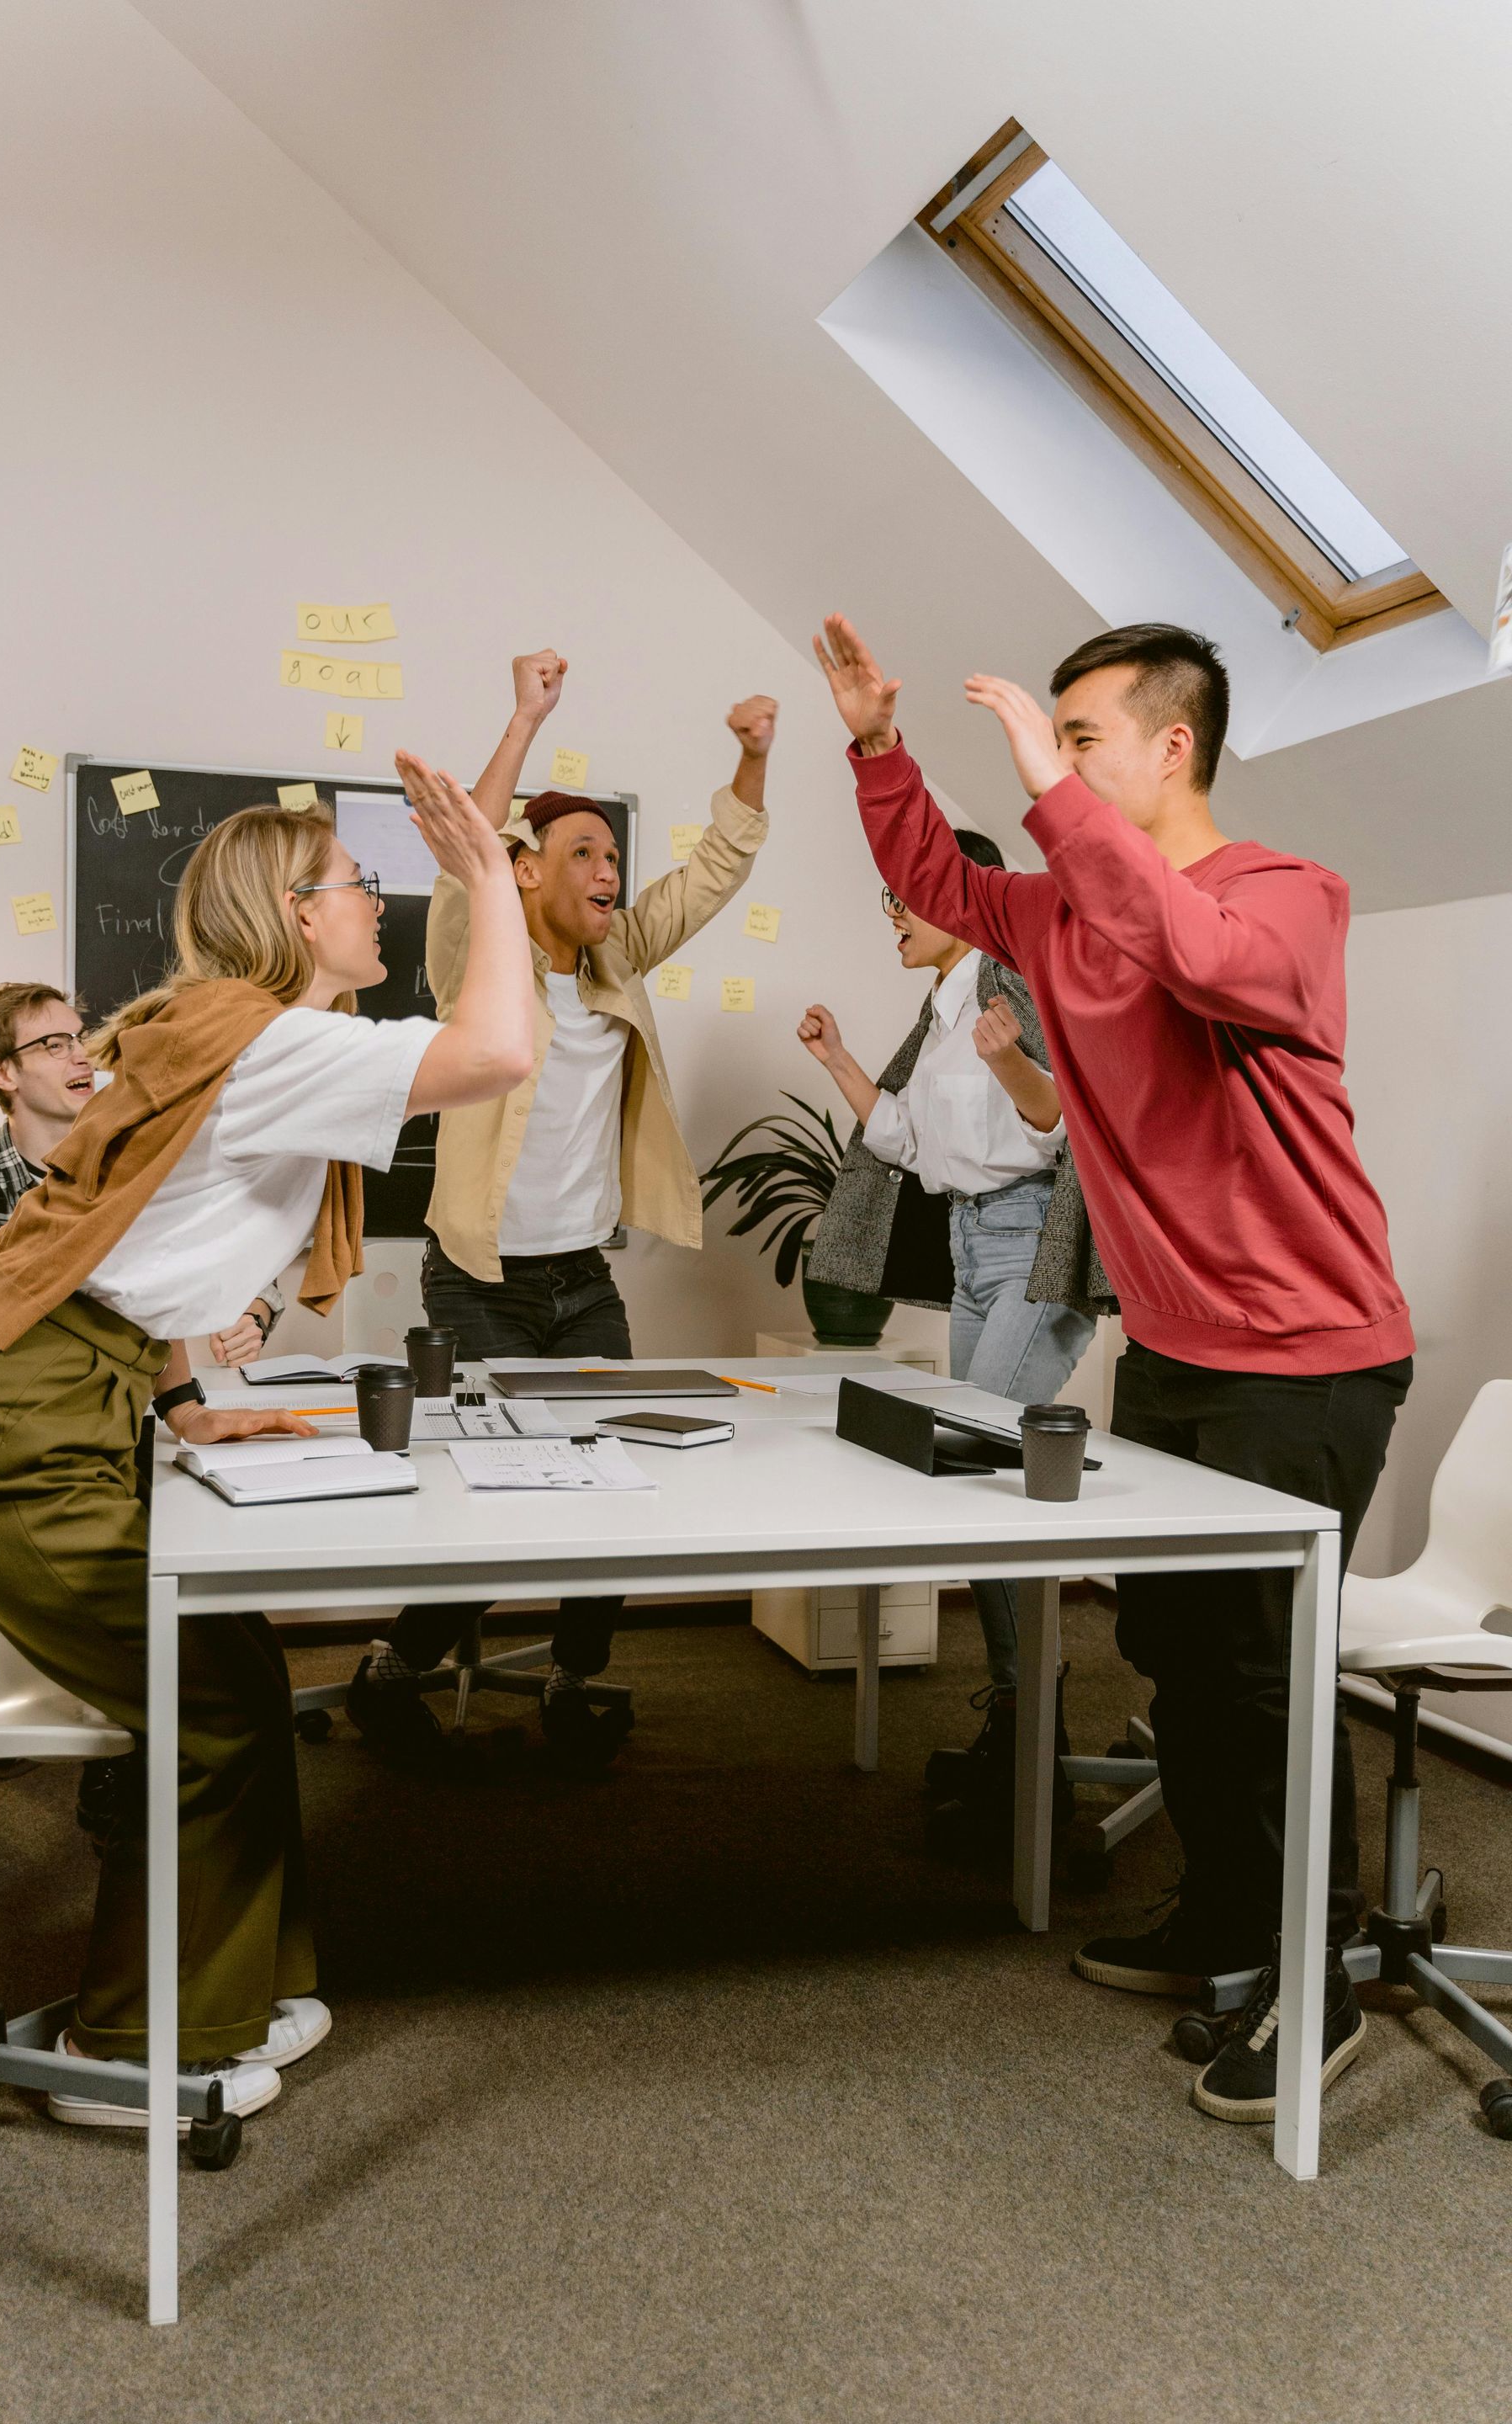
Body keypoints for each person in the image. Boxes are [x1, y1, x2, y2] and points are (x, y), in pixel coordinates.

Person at [814, 610, 1412, 2125]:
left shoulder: (1288, 898)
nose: (1053, 764)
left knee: (1271, 1680)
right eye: (1052, 738)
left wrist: (1055, 799)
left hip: (1305, 1358)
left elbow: (1194, 954)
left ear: (1173, 747)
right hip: (1176, 1353)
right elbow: (941, 886)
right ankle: (1227, 1920)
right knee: (1187, 1665)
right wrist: (879, 749)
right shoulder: (1068, 918)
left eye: (1080, 738)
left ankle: (1316, 1970)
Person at [0, 772, 533, 2127]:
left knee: (232, 1656)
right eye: (360, 888)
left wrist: (185, 1403)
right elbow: (499, 1051)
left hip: (50, 1389)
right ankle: (134, 2056)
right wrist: (487, 882)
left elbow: (130, 1250)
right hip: (7, 1417)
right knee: (212, 1700)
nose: (380, 904)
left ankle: (233, 1988)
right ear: (299, 917)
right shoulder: (273, 1044)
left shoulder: (236, 1034)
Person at [347, 648, 776, 1768]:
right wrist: (524, 719)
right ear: (527, 871)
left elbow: (712, 873)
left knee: (616, 1491)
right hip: (479, 1287)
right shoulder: (477, 963)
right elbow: (460, 864)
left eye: (615, 857)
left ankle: (576, 1678)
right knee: (482, 1501)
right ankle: (399, 1663)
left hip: (584, 1283)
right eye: (584, 853)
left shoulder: (617, 960)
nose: (610, 873)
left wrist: (751, 757)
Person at [0, 981, 282, 1851]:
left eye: (81, 1038)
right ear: (1, 1073)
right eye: (51, 1045)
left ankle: (129, 1741)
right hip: (9, 1426)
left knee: (184, 1549)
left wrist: (203, 1378)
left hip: (110, 1432)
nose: (81, 1056)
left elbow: (183, 1284)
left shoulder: (129, 1161)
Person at [798, 837, 1112, 1847]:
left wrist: (1009, 1056)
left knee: (989, 1485)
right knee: (980, 1489)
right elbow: (904, 1142)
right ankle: (1023, 1729)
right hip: (976, 1243)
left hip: (1030, 1239)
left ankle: (1034, 1755)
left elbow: (1058, 1114)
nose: (892, 910)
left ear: (964, 897)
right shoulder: (940, 1007)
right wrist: (840, 1059)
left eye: (909, 895)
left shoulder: (1007, 980)